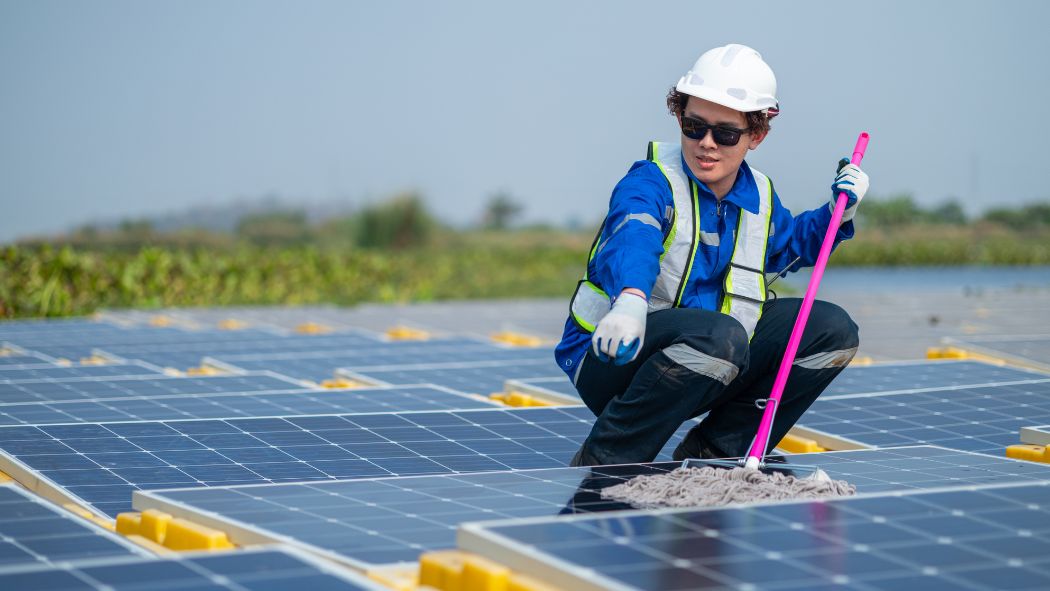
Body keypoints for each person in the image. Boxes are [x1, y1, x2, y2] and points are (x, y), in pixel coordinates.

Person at [554, 44, 869, 467]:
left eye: (725, 133)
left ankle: (718, 452)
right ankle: (604, 464)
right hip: (616, 354)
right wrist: (630, 298)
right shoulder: (651, 182)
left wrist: (838, 212)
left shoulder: (759, 197)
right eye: (694, 126)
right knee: (719, 336)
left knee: (831, 329)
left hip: (715, 356)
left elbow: (790, 246)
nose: (706, 144)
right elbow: (633, 234)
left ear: (756, 135)